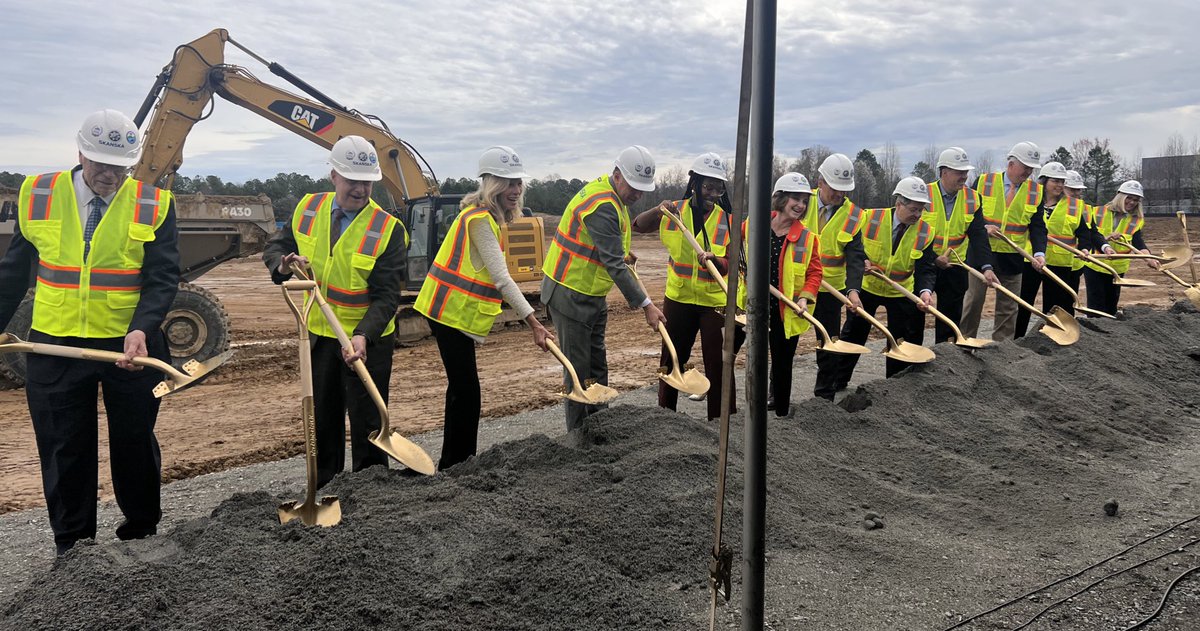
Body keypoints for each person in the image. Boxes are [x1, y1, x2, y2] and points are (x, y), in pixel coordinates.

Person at [0, 110, 180, 555]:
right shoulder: (38, 194)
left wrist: (142, 328)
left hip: (130, 349)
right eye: (100, 163)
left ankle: (141, 535)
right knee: (65, 447)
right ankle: (74, 549)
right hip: (54, 345)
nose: (109, 174)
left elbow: (162, 279)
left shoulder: (153, 203)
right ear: (79, 152)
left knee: (134, 442)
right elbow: (12, 273)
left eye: (119, 165)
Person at [263, 135, 407, 486]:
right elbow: (278, 245)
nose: (360, 189)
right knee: (323, 418)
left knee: (368, 421)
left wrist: (363, 336)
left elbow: (388, 296)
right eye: (352, 181)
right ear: (333, 176)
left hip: (366, 342)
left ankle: (371, 489)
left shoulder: (387, 229)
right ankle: (325, 486)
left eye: (367, 182)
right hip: (320, 336)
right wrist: (282, 267)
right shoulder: (308, 208)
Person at [415, 146, 553, 470]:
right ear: (491, 184)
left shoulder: (480, 217)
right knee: (466, 391)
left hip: (449, 312)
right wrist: (534, 323)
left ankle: (455, 461)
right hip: (448, 312)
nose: (515, 190)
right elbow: (503, 280)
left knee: (462, 389)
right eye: (508, 183)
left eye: (518, 183)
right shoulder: (479, 221)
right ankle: (458, 463)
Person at [541, 146, 667, 432]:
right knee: (577, 370)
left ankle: (600, 426)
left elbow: (608, 249)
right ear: (617, 174)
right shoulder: (603, 205)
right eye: (634, 187)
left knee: (597, 366)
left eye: (642, 189)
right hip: (569, 291)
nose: (638, 194)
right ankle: (578, 437)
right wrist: (647, 305)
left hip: (591, 292)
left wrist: (623, 254)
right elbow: (612, 263)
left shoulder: (613, 197)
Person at [632, 153, 734, 421]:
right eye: (707, 186)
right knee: (672, 360)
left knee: (719, 363)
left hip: (714, 304)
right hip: (678, 300)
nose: (712, 193)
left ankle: (722, 421)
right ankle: (666, 417)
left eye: (718, 187)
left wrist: (718, 262)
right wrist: (658, 209)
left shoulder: (729, 221)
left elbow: (736, 263)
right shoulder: (673, 211)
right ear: (695, 183)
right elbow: (638, 226)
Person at [736, 173, 822, 417]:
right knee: (750, 359)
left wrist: (804, 297)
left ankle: (782, 414)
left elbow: (815, 274)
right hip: (752, 306)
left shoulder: (807, 238)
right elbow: (733, 245)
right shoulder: (755, 224)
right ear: (780, 198)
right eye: (796, 198)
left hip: (785, 311)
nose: (801, 205)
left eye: (805, 201)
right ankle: (750, 409)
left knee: (783, 364)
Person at [838, 177, 938, 381]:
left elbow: (925, 269)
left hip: (901, 291)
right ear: (899, 204)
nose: (917, 215)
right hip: (868, 287)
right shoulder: (870, 218)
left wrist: (925, 292)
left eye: (921, 210)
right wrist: (863, 260)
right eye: (913, 209)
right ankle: (838, 380)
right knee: (854, 335)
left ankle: (895, 385)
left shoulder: (926, 232)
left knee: (901, 340)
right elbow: (854, 249)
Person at [960, 142, 1047, 341]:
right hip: (982, 253)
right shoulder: (984, 182)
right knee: (974, 301)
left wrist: (1039, 253)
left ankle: (1002, 349)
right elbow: (966, 213)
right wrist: (983, 227)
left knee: (1008, 307)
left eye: (1031, 168)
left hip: (1013, 257)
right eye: (1025, 167)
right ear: (1011, 164)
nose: (1028, 172)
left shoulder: (1035, 191)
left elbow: (1038, 227)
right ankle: (965, 343)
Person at [1015, 163, 1114, 336]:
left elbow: (1085, 232)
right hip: (1031, 260)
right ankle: (1017, 338)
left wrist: (1084, 248)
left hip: (1059, 262)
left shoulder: (1074, 206)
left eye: (1062, 182)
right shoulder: (1031, 200)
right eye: (1055, 181)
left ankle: (1048, 339)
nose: (1059, 185)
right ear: (1044, 181)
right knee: (1024, 303)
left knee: (1054, 306)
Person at [805, 153, 866, 400]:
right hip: (795, 283)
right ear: (820, 182)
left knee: (829, 342)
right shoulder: (800, 201)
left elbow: (855, 258)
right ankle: (775, 396)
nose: (839, 195)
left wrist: (853, 291)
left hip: (831, 289)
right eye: (835, 189)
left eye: (844, 190)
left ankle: (824, 396)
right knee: (785, 339)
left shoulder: (853, 215)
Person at [924, 147, 998, 344]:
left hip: (955, 266)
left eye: (966, 172)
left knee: (950, 320)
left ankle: (945, 359)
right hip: (923, 264)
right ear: (944, 172)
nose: (964, 176)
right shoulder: (924, 194)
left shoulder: (973, 198)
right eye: (959, 172)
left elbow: (979, 237)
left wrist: (986, 267)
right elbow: (912, 234)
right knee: (913, 316)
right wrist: (933, 258)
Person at [1082, 180, 1160, 315]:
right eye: (1128, 197)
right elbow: (1089, 235)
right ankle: (1094, 331)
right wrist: (1106, 239)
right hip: (1095, 265)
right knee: (1096, 305)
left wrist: (1148, 258)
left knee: (1111, 305)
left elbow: (1138, 242)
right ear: (1119, 195)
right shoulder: (1097, 212)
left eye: (1135, 200)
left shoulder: (1136, 219)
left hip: (1117, 269)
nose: (1131, 202)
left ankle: (1110, 333)